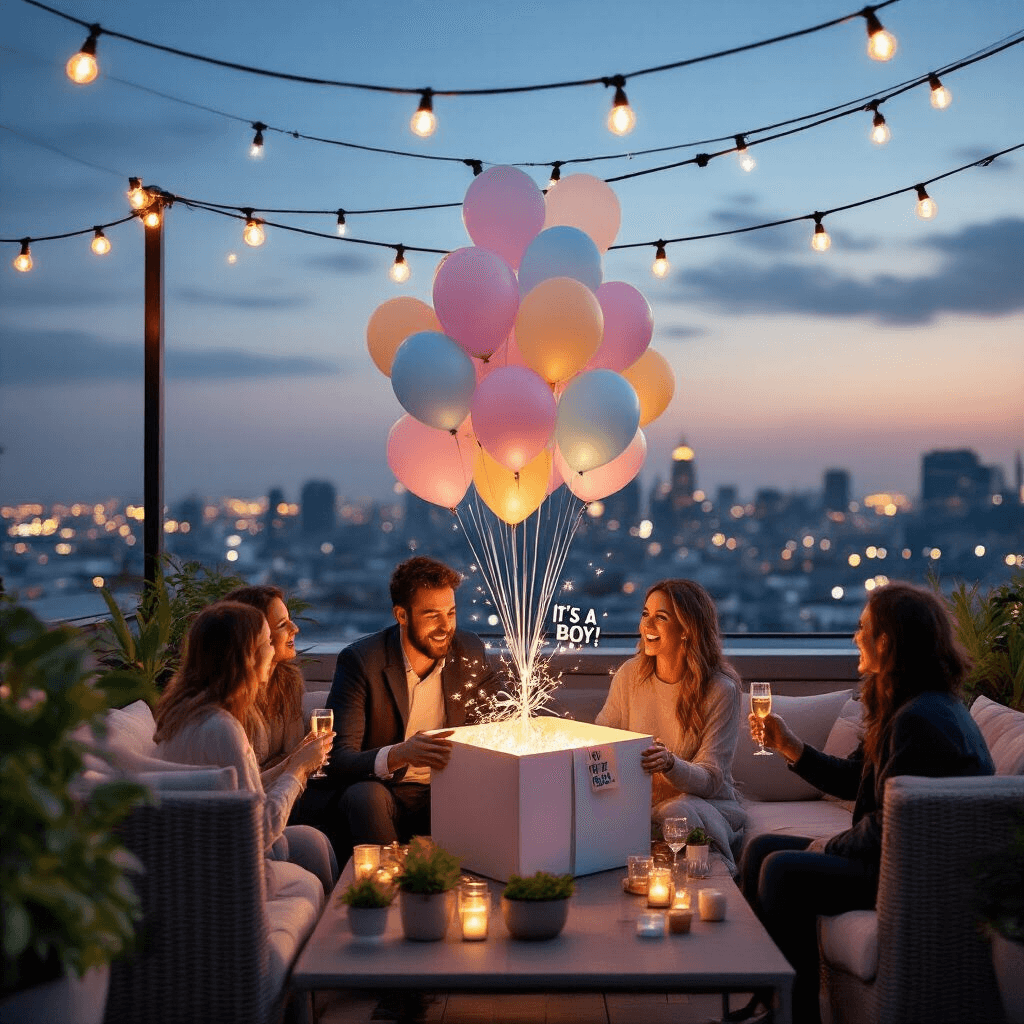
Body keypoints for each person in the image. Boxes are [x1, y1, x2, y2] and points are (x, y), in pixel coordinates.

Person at [737, 581, 994, 1024]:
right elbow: (857, 779)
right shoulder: (910, 706)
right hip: (891, 856)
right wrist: (791, 746)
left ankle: (794, 1013)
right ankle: (769, 1000)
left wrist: (828, 846)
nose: (855, 637)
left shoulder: (921, 721)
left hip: (907, 873)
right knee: (760, 849)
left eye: (862, 629)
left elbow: (893, 824)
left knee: (781, 869)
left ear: (886, 642)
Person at [154, 601, 338, 892]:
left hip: (208, 851)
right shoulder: (222, 728)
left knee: (315, 842)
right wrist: (298, 771)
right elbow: (259, 831)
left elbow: (238, 792)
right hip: (234, 870)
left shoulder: (190, 714)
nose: (273, 651)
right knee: (315, 846)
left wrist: (292, 763)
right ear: (246, 657)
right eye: (267, 642)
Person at [325, 555, 500, 847]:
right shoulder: (362, 661)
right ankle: (386, 889)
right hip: (384, 791)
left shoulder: (468, 650)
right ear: (402, 615)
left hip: (446, 788)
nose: (446, 627)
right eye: (432, 616)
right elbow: (338, 758)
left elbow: (503, 709)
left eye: (451, 613)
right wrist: (401, 754)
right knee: (365, 797)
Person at [595, 579, 746, 872]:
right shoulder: (629, 675)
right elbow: (602, 738)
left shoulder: (720, 690)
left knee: (676, 813)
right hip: (637, 802)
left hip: (700, 804)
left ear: (687, 630)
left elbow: (712, 778)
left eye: (661, 617)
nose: (648, 624)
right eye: (645, 614)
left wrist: (670, 764)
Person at [222, 584, 305, 781]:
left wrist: (282, 764)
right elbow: (242, 782)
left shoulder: (289, 681)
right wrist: (291, 763)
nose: (295, 629)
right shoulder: (227, 698)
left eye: (290, 620)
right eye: (282, 625)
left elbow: (294, 751)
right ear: (254, 636)